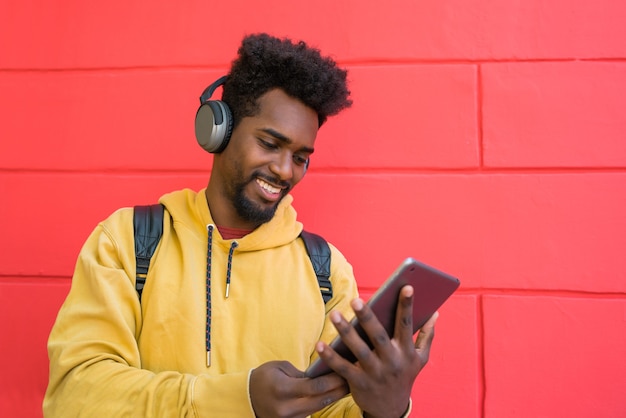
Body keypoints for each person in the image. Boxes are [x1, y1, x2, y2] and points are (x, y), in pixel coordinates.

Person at [43, 33, 438, 418]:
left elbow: (335, 410)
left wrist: (385, 409)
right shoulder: (128, 241)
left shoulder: (327, 271)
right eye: (269, 144)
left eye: (300, 156)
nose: (285, 170)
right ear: (220, 131)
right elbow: (75, 396)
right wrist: (239, 399)